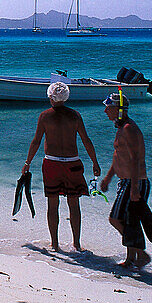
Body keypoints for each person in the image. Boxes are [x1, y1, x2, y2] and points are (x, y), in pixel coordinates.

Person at [22, 81, 102, 252]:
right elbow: (86, 140)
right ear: (66, 96)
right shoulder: (75, 115)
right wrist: (95, 162)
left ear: (50, 96)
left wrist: (27, 162)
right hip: (73, 162)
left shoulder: (45, 116)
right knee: (74, 204)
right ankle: (77, 244)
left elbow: (36, 141)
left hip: (51, 163)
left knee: (53, 203)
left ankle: (55, 244)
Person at [100, 90, 152, 268]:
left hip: (135, 183)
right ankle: (131, 260)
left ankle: (140, 254)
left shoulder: (129, 129)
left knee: (115, 219)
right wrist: (108, 178)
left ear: (118, 109)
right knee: (128, 221)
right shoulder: (122, 128)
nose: (106, 111)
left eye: (108, 108)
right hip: (127, 182)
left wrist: (135, 188)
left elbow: (136, 159)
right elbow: (119, 157)